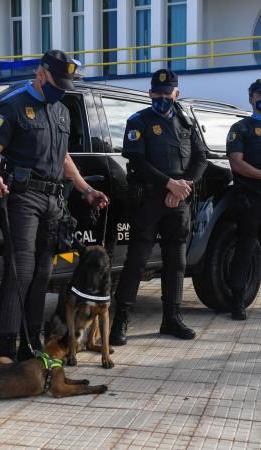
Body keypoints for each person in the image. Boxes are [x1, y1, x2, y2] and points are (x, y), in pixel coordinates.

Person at [0, 50, 108, 361]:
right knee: (20, 271)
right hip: (23, 198)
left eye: (66, 84)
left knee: (41, 273)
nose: (61, 89)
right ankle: (7, 348)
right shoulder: (13, 107)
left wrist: (86, 189)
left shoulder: (61, 110)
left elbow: (64, 159)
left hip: (54, 201)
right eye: (57, 82)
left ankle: (31, 344)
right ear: (41, 74)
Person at [109, 69, 208, 346]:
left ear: (176, 93)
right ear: (150, 93)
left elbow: (201, 158)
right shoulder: (138, 121)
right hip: (149, 200)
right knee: (136, 260)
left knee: (177, 261)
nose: (162, 99)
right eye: (157, 94)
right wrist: (169, 185)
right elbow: (137, 161)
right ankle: (121, 321)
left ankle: (171, 318)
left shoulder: (187, 122)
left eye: (168, 94)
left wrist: (183, 186)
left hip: (179, 202)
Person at [226, 79, 261, 321]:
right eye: (259, 94)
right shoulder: (241, 128)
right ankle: (237, 301)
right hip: (250, 198)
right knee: (245, 249)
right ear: (251, 97)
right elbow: (236, 162)